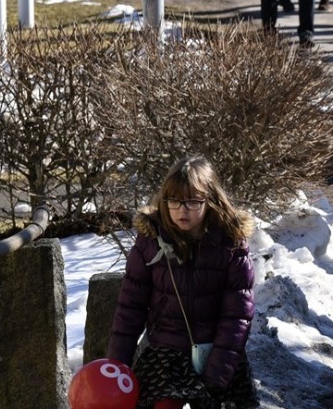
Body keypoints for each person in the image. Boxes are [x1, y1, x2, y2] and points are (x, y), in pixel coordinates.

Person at [107, 156, 258, 409]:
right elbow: (130, 307)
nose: (181, 210)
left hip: (217, 350)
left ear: (209, 200)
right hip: (166, 351)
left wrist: (218, 371)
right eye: (174, 201)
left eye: (192, 201)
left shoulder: (230, 242)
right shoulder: (151, 239)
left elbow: (237, 315)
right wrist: (117, 366)